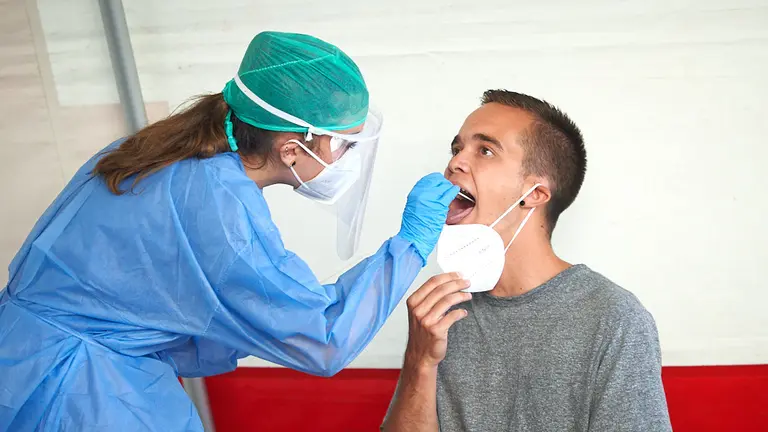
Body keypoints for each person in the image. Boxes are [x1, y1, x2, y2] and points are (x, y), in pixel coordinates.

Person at [0, 31, 459, 431]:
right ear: (291, 149)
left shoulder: (153, 151)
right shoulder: (217, 204)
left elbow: (157, 300)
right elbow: (322, 337)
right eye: (342, 144)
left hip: (20, 357)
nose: (347, 159)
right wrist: (412, 243)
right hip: (77, 392)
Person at [382, 90, 672, 431]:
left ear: (534, 194)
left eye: (485, 150)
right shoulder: (442, 312)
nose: (455, 163)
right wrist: (420, 361)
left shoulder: (614, 319)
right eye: (457, 148)